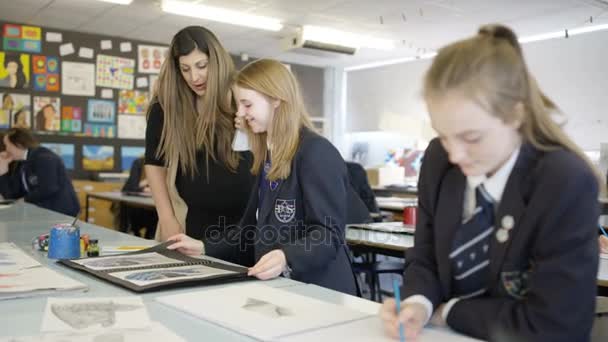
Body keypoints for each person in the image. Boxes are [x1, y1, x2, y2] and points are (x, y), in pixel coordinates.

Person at [379, 24, 602, 341]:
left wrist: (451, 312)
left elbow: (556, 325)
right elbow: (425, 256)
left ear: (515, 116)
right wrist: (419, 303)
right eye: (443, 135)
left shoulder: (564, 180)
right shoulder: (439, 159)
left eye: (472, 137)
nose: (455, 154)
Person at [167, 59, 358, 295]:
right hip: (283, 289)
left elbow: (328, 235)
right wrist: (205, 247)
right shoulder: (269, 155)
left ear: (276, 99)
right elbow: (248, 230)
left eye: (247, 104)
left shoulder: (316, 152)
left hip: (321, 291)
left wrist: (287, 256)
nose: (240, 113)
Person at [144, 26, 254, 259]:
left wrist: (251, 132)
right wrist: (167, 217)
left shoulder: (243, 100)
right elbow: (155, 164)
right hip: (193, 226)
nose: (195, 77)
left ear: (217, 61)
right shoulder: (166, 107)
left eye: (201, 66)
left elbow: (271, 151)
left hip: (245, 229)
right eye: (185, 69)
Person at [0, 128, 79, 216]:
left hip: (61, 214)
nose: (6, 149)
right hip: (43, 213)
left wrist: (24, 199)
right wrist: (3, 172)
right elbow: (11, 196)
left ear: (18, 144)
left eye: (7, 145)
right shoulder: (21, 164)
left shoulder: (44, 158)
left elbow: (48, 188)